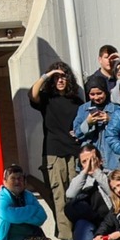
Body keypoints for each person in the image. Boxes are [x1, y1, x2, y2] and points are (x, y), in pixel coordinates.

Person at [25, 64, 85, 223]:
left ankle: (78, 231)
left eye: (63, 76)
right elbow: (32, 94)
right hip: (53, 152)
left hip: (74, 152)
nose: (60, 80)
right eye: (56, 77)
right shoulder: (47, 98)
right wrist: (48, 74)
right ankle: (66, 235)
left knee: (76, 195)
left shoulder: (77, 101)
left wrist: (79, 132)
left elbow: (84, 122)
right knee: (59, 196)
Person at [0, 166, 55, 240]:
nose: (17, 181)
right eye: (13, 178)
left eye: (20, 178)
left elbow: (42, 217)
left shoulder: (28, 195)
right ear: (5, 181)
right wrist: (31, 209)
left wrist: (19, 216)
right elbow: (12, 216)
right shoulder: (0, 198)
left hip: (32, 239)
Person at [62, 147, 111, 240]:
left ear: (100, 160)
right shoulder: (80, 179)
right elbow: (70, 194)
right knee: (81, 225)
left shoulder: (109, 175)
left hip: (108, 220)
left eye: (92, 159)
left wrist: (96, 172)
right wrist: (84, 172)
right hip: (89, 220)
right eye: (84, 161)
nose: (89, 164)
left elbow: (111, 191)